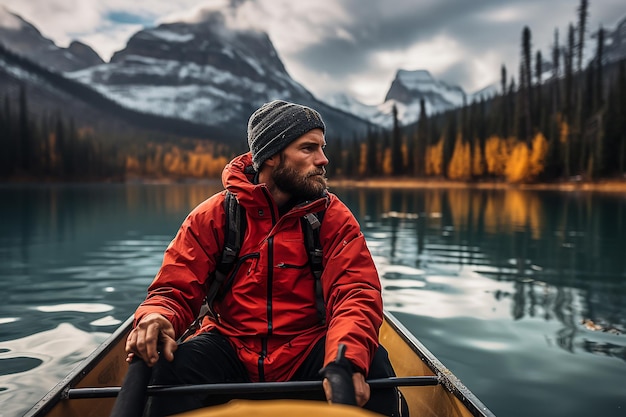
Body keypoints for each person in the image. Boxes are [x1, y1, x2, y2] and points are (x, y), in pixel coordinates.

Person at [125, 100, 403, 416]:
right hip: (230, 346)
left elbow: (355, 293)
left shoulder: (333, 217)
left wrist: (346, 359)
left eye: (322, 148)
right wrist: (156, 318)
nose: (323, 160)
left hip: (307, 348)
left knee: (374, 365)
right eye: (308, 149)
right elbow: (173, 292)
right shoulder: (213, 216)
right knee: (169, 370)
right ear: (271, 155)